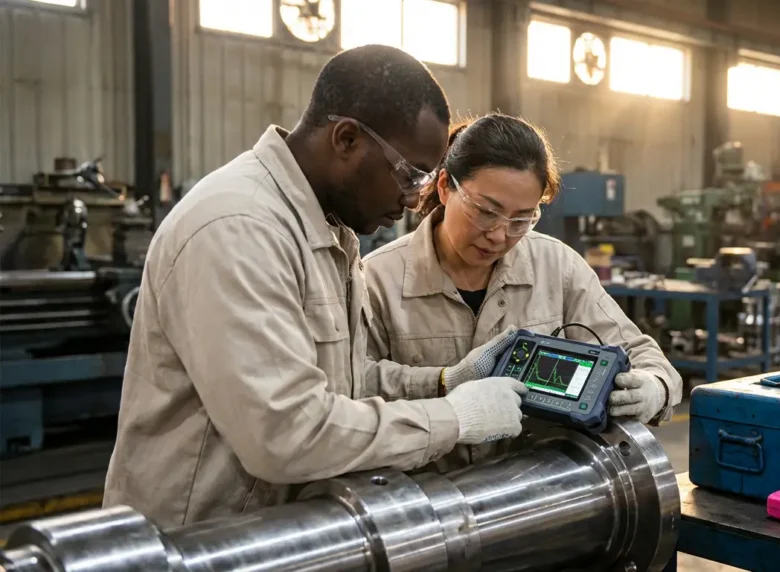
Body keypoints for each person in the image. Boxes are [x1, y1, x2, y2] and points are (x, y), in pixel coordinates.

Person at [104, 47, 529, 528]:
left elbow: (338, 381)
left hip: (268, 537)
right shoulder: (239, 227)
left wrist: (443, 382)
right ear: (346, 139)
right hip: (191, 544)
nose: (414, 200)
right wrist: (453, 419)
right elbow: (286, 434)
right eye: (409, 174)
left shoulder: (328, 229)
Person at [363, 113, 683, 470]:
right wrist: (442, 383)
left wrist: (655, 387)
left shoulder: (557, 266)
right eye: (486, 212)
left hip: (541, 487)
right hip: (423, 493)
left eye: (521, 220)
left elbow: (641, 353)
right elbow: (351, 389)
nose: (499, 235)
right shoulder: (378, 278)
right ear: (444, 187)